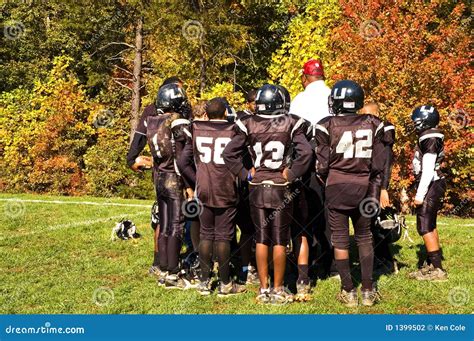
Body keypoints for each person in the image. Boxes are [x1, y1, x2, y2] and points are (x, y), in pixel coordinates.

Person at [223, 84, 313, 304]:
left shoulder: (248, 122)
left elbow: (229, 154)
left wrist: (246, 174)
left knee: (261, 238)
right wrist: (292, 173)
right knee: (280, 240)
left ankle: (263, 289)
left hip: (257, 186)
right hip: (281, 187)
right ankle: (278, 288)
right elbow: (307, 152)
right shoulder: (291, 121)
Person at [314, 80, 385, 307]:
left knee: (341, 241)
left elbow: (322, 166)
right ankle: (367, 290)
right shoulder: (374, 123)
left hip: (337, 186)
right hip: (364, 186)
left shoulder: (326, 124)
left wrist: (328, 178)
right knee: (364, 237)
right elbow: (379, 163)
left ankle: (348, 291)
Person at [127, 83, 193, 289]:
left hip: (159, 177)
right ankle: (173, 274)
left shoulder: (152, 120)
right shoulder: (176, 121)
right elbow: (184, 154)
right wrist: (191, 182)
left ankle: (164, 267)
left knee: (164, 225)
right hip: (174, 177)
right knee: (175, 225)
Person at [178, 98, 247, 296]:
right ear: (226, 112)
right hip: (225, 187)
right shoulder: (234, 129)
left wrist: (196, 178)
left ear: (206, 114)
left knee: (206, 234)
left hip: (204, 188)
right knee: (224, 235)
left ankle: (204, 282)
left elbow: (183, 162)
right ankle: (225, 283)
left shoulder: (196, 128)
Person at [289, 59, 335, 280]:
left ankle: (310, 260)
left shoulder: (300, 99)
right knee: (331, 212)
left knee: (308, 211)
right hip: (335, 161)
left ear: (305, 78)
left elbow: (292, 133)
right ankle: (332, 262)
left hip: (308, 160)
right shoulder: (333, 95)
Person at [408, 105, 447, 281]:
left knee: (424, 226)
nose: (414, 125)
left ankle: (437, 270)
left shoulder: (429, 137)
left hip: (431, 183)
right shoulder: (431, 135)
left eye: (416, 121)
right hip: (435, 184)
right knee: (430, 224)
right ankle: (434, 264)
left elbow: (428, 170)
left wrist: (419, 195)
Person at [361, 101, 397, 272]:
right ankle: (374, 258)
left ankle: (385, 261)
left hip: (375, 183)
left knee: (375, 221)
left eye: (370, 116)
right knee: (365, 222)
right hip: (361, 181)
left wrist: (384, 188)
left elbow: (387, 161)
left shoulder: (385, 130)